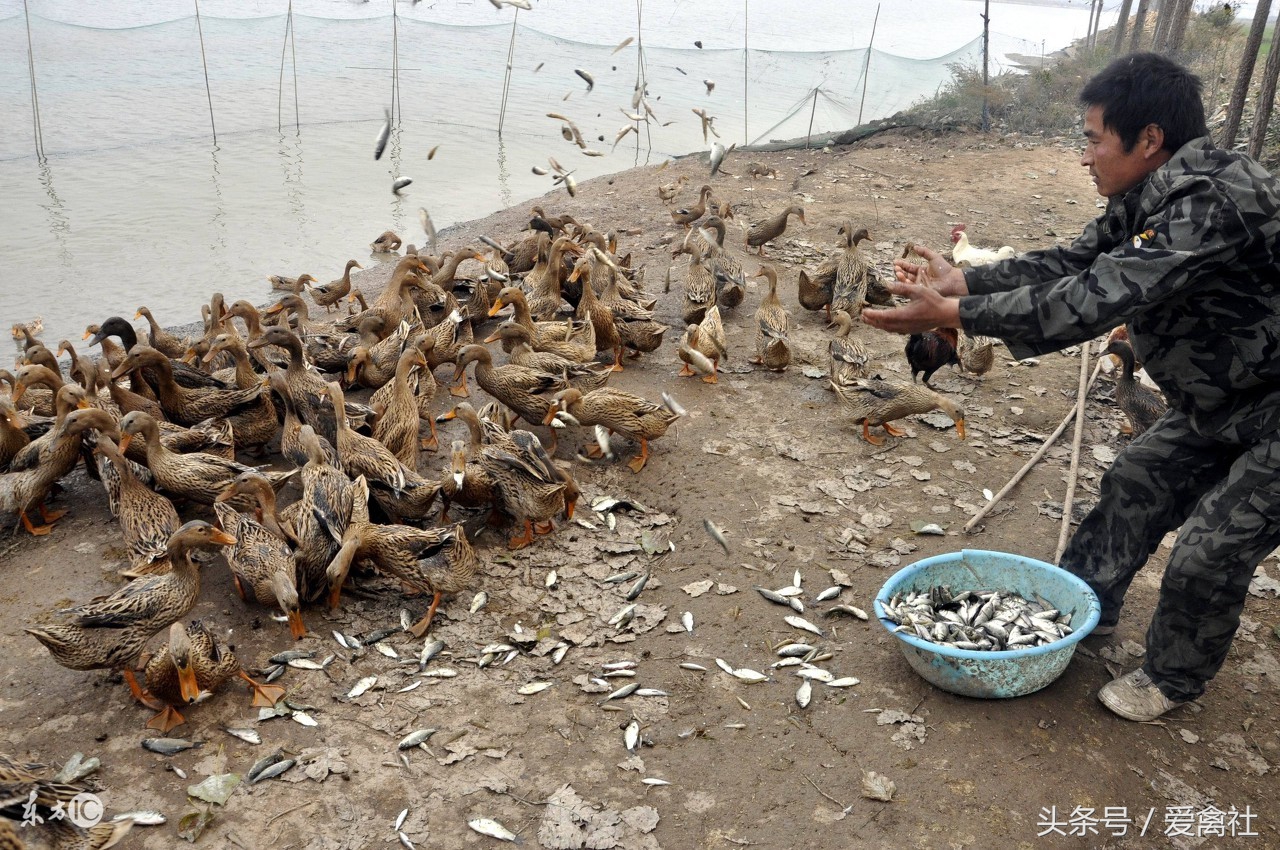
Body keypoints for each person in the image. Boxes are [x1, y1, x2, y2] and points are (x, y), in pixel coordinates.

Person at [863, 52, 1280, 722]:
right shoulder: (1153, 192)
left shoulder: (1212, 201)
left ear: (1148, 139)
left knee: (1210, 551)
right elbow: (1076, 259)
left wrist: (956, 317)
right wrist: (962, 283)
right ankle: (1082, 610)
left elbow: (1096, 298)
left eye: (1092, 140)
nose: (1084, 157)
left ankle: (1172, 680)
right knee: (1136, 480)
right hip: (1222, 401)